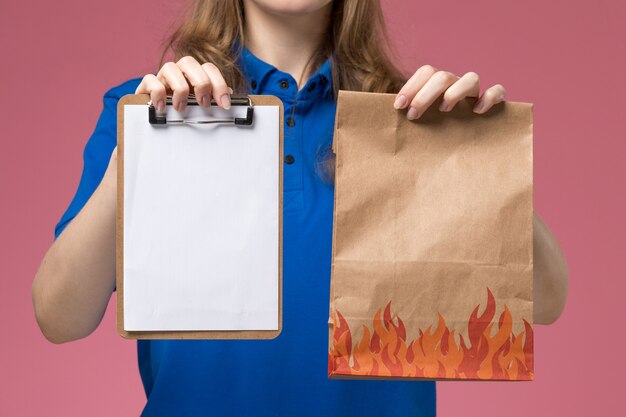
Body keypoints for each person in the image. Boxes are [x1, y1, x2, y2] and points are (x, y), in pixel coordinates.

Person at [32, 1, 569, 415]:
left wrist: (476, 161)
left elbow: (544, 300)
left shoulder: (413, 120)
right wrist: (142, 146)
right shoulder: (143, 111)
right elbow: (60, 317)